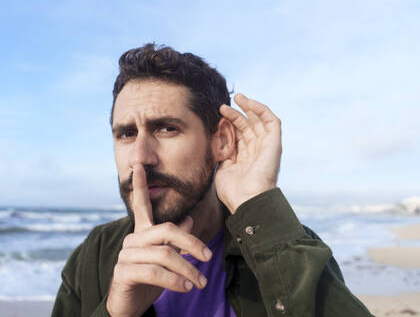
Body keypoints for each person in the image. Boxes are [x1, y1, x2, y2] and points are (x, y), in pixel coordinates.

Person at [51, 43, 372, 317]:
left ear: (221, 141)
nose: (139, 157)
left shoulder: (282, 246)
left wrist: (258, 204)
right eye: (126, 133)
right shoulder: (95, 254)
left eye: (166, 129)